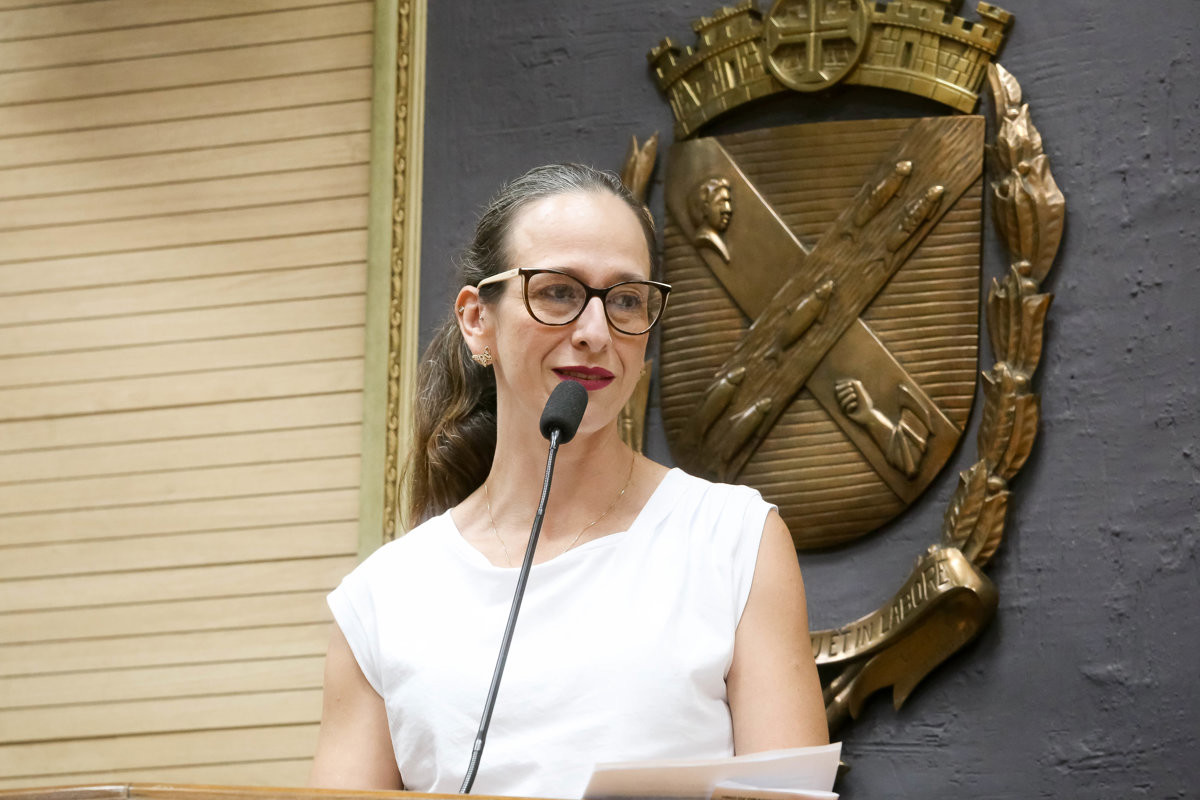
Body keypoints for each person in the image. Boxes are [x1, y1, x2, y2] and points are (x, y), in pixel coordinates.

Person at [309, 164, 828, 797]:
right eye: (558, 292)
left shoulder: (734, 540)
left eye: (627, 300)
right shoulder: (381, 600)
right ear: (476, 320)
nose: (595, 333)